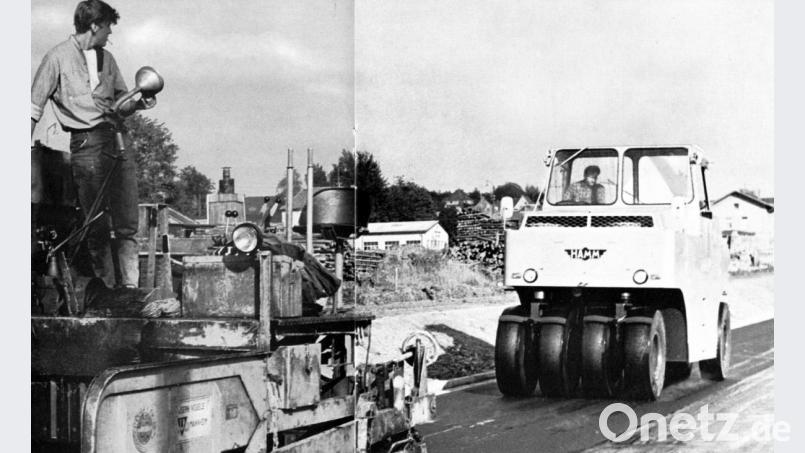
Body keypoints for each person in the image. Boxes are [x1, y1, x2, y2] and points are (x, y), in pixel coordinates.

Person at [31, 0, 149, 288]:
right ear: (95, 25)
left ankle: (129, 291)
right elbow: (33, 108)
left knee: (127, 222)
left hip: (119, 142)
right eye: (108, 27)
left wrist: (139, 103)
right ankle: (104, 293)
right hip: (86, 145)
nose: (110, 34)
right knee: (94, 224)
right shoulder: (56, 57)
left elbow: (122, 102)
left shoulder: (108, 59)